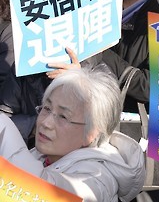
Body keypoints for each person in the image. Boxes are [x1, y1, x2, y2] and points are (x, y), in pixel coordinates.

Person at [0, 64, 146, 201]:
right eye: (47, 108)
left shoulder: (98, 180)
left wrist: (4, 129)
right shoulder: (43, 154)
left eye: (63, 116)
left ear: (92, 133)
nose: (45, 123)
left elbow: (44, 191)